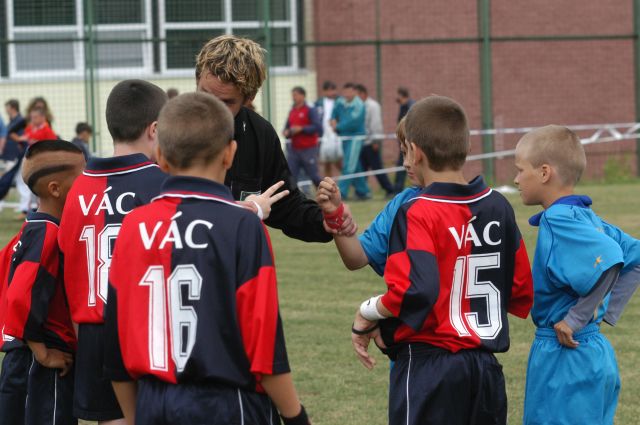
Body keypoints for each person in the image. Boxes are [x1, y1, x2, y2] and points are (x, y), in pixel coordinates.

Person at [104, 92, 311, 425]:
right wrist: (295, 416)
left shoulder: (133, 225)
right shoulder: (243, 224)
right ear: (230, 153)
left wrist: (135, 416)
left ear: (160, 156)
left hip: (153, 402)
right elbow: (264, 343)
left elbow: (115, 342)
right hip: (228, 403)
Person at [344, 96, 534, 425]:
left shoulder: (417, 211)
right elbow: (519, 289)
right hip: (486, 370)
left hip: (429, 370)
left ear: (414, 152)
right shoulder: (498, 205)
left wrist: (367, 311)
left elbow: (413, 290)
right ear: (467, 147)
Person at [58, 79, 169, 425]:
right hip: (146, 325)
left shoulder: (79, 188)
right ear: (154, 129)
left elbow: (70, 265)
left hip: (92, 332)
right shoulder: (161, 183)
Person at [514, 125, 640, 425]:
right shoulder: (586, 216)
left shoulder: (558, 218)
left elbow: (611, 259)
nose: (516, 179)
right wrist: (601, 312)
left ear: (544, 173)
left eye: (520, 170)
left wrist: (577, 318)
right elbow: (635, 254)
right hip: (594, 353)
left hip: (564, 356)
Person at [195, 35, 353, 241]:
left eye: (226, 102)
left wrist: (322, 221)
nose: (212, 108)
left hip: (237, 258)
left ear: (249, 98)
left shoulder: (260, 134)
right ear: (197, 80)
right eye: (205, 95)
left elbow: (285, 204)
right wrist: (242, 210)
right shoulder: (168, 128)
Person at [3, 140, 86, 425]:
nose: (89, 185)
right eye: (83, 178)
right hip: (39, 363)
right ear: (55, 189)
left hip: (25, 359)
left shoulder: (33, 227)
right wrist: (43, 353)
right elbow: (19, 296)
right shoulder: (47, 233)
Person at [317, 118, 420, 276]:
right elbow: (357, 257)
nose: (405, 163)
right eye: (403, 153)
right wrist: (335, 214)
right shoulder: (402, 203)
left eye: (411, 153)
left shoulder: (462, 204)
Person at [15, 107, 57, 216]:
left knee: (40, 184)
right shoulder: (30, 128)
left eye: (35, 117)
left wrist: (36, 142)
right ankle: (27, 209)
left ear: (43, 117)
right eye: (32, 117)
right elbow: (25, 139)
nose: (33, 119)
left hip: (42, 162)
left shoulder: (47, 131)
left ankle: (41, 208)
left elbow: (52, 147)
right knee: (27, 183)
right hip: (30, 160)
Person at [331, 82, 369, 200]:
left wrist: (337, 127)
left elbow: (352, 122)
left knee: (349, 165)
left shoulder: (359, 105)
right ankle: (364, 191)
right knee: (355, 165)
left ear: (354, 92)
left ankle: (341, 193)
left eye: (349, 91)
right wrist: (332, 120)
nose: (347, 94)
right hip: (344, 137)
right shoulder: (340, 101)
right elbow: (334, 113)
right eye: (345, 91)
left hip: (355, 138)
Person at [355, 84, 395, 197]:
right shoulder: (359, 106)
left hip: (371, 142)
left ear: (363, 94)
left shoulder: (373, 106)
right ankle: (361, 192)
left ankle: (389, 189)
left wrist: (376, 141)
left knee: (377, 168)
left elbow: (376, 124)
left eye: (357, 95)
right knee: (362, 169)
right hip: (361, 142)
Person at [283, 86, 322, 189]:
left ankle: (327, 194)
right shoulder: (292, 111)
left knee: (314, 176)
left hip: (308, 149)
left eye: (295, 95)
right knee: (290, 177)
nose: (293, 97)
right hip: (294, 150)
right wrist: (286, 132)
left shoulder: (310, 110)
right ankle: (291, 197)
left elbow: (317, 127)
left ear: (303, 96)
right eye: (292, 95)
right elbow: (287, 128)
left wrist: (302, 129)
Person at [315, 80, 342, 177]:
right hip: (324, 136)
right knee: (326, 162)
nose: (331, 92)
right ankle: (329, 182)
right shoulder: (319, 103)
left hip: (337, 134)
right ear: (324, 91)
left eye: (333, 90)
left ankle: (347, 181)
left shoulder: (340, 102)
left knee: (339, 161)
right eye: (329, 90)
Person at [393, 87, 415, 193]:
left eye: (398, 95)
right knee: (401, 166)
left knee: (403, 165)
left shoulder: (411, 106)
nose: (396, 97)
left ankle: (397, 189)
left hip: (409, 143)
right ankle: (397, 189)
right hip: (403, 143)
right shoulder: (403, 106)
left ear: (402, 95)